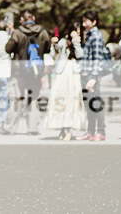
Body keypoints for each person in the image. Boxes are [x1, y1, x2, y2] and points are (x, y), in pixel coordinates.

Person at [1, 11, 50, 136]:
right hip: (35, 71)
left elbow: (8, 49)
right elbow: (48, 49)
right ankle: (32, 128)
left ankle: (10, 127)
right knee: (33, 99)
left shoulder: (17, 32)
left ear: (22, 19)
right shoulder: (43, 32)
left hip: (19, 71)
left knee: (15, 99)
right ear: (33, 18)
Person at [45, 24, 85, 141]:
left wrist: (76, 42)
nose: (76, 33)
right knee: (60, 100)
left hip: (74, 73)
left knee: (72, 101)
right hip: (62, 72)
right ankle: (62, 128)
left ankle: (69, 129)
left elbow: (80, 55)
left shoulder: (81, 42)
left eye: (78, 31)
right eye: (75, 31)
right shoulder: (63, 41)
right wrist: (53, 44)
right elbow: (53, 53)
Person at [76, 10, 106, 141]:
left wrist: (94, 77)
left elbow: (97, 58)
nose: (83, 24)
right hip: (86, 73)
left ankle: (101, 132)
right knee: (89, 104)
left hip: (91, 75)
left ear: (94, 22)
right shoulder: (89, 35)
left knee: (96, 104)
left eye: (86, 21)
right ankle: (90, 131)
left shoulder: (96, 36)